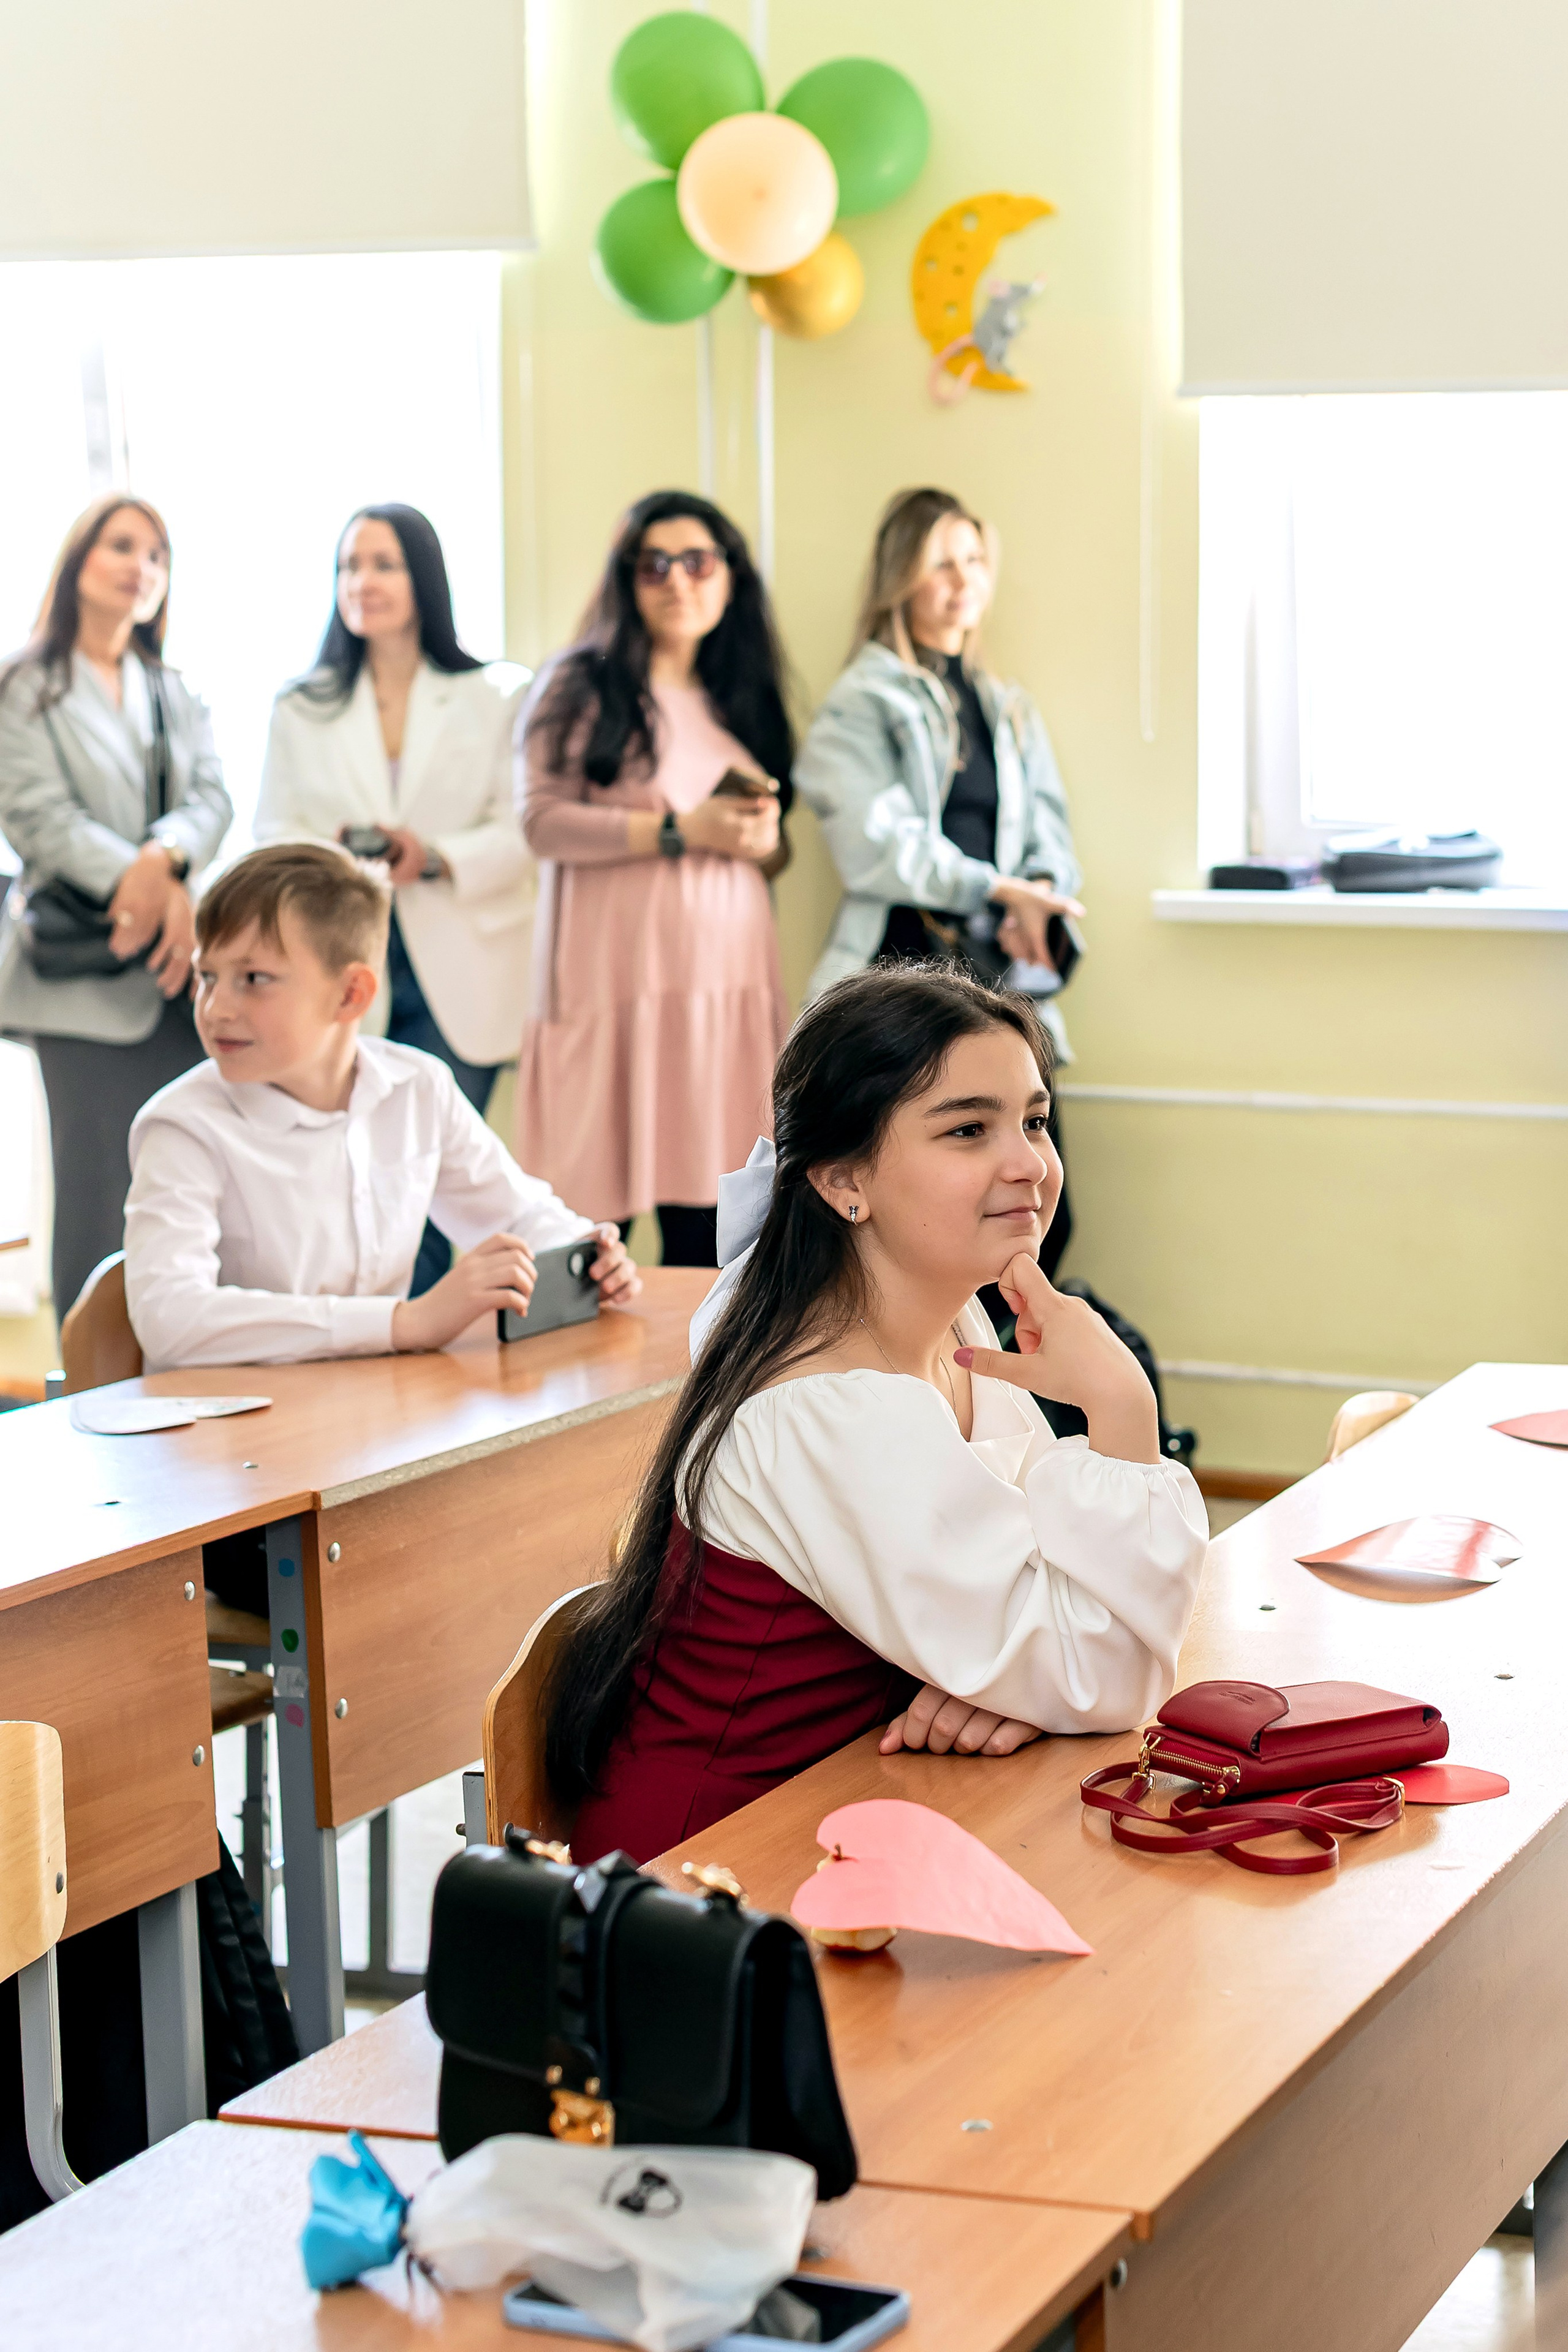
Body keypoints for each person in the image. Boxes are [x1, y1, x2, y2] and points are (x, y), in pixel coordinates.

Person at [547, 965, 1207, 1866]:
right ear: (843, 1180)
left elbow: (1061, 1621)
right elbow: (1107, 1674)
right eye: (969, 1129)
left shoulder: (958, 1323)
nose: (1029, 1164)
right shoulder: (826, 1405)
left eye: (1035, 1121)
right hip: (710, 1887)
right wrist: (1124, 1409)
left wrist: (1011, 1683)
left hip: (861, 1810)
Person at [123, 842, 638, 1375]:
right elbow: (170, 1318)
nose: (216, 1008)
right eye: (208, 976)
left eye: (253, 979)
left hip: (375, 1410)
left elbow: (519, 1214)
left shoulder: (418, 1088)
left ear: (351, 995)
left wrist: (585, 1254)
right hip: (228, 1434)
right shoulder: (183, 1127)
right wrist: (402, 1322)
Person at [795, 485, 1085, 1275]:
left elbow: (1050, 832)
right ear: (900, 580)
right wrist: (997, 891)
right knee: (911, 1225)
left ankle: (1003, 1390)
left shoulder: (1006, 708)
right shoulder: (860, 702)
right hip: (897, 978)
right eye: (940, 565)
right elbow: (878, 846)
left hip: (999, 987)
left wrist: (1042, 897)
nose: (963, 582)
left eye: (975, 562)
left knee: (1043, 1216)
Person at [255, 503, 533, 1297]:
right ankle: (380, 1350)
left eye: (383, 564)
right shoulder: (300, 706)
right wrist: (335, 858)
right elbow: (273, 831)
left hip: (460, 965)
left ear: (424, 577)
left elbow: (520, 829)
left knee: (437, 1182)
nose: (362, 582)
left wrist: (434, 856)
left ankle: (431, 1355)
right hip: (347, 960)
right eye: (349, 566)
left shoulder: (494, 693)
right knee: (353, 1178)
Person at [516, 491, 793, 1268]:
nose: (678, 581)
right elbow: (540, 821)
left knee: (712, 1249)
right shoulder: (578, 684)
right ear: (627, 580)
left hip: (720, 1002)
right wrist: (679, 830)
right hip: (612, 993)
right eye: (655, 565)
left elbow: (767, 852)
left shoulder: (744, 694)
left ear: (730, 576)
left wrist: (762, 839)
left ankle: (698, 1394)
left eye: (698, 562)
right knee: (581, 1251)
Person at [0, 495, 232, 1318]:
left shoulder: (174, 688)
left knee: (186, 1198)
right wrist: (149, 882)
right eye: (123, 546)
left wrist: (166, 862)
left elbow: (211, 799)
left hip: (176, 976)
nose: (144, 567)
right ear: (77, 562)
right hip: (80, 985)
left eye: (159, 554)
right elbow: (37, 817)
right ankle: (89, 1403)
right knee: (97, 1202)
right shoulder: (25, 684)